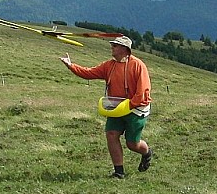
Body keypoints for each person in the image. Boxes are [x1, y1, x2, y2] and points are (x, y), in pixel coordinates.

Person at [61, 36, 153, 178]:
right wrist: (71, 65)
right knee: (111, 135)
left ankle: (146, 153)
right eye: (112, 45)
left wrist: (129, 105)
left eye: (115, 46)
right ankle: (119, 172)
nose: (112, 47)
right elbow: (89, 73)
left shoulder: (138, 65)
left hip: (136, 109)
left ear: (124, 49)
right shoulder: (109, 65)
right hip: (115, 107)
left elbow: (142, 92)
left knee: (132, 144)